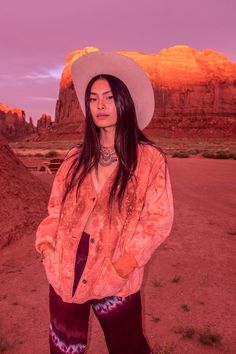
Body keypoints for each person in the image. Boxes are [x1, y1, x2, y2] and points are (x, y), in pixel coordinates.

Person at [35, 51, 174, 354]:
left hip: (116, 271)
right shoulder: (75, 158)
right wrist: (47, 248)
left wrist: (123, 265)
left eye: (109, 97)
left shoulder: (148, 160)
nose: (100, 106)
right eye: (94, 98)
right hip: (65, 268)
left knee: (129, 346)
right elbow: (55, 210)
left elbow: (158, 220)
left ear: (124, 102)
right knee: (64, 347)